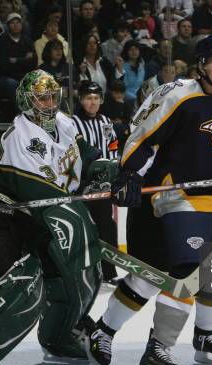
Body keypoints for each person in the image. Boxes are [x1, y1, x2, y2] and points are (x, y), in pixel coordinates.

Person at [86, 35, 212, 365]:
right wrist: (129, 173)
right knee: (181, 273)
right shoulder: (178, 96)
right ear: (202, 65)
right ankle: (155, 351)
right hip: (183, 195)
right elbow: (143, 139)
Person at [0, 70, 115, 365]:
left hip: (39, 217)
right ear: (26, 100)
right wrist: (80, 200)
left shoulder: (64, 122)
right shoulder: (20, 137)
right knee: (24, 286)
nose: (49, 103)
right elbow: (37, 192)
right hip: (2, 221)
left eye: (53, 96)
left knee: (74, 276)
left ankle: (60, 336)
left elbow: (83, 155)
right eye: (42, 97)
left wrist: (100, 166)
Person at [72, 80, 119, 284]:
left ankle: (109, 273)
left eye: (96, 98)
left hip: (102, 185)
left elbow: (113, 148)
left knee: (106, 227)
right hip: (79, 185)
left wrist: (112, 171)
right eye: (88, 98)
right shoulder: (71, 123)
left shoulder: (106, 122)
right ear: (81, 100)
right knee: (81, 228)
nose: (92, 102)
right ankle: (82, 273)